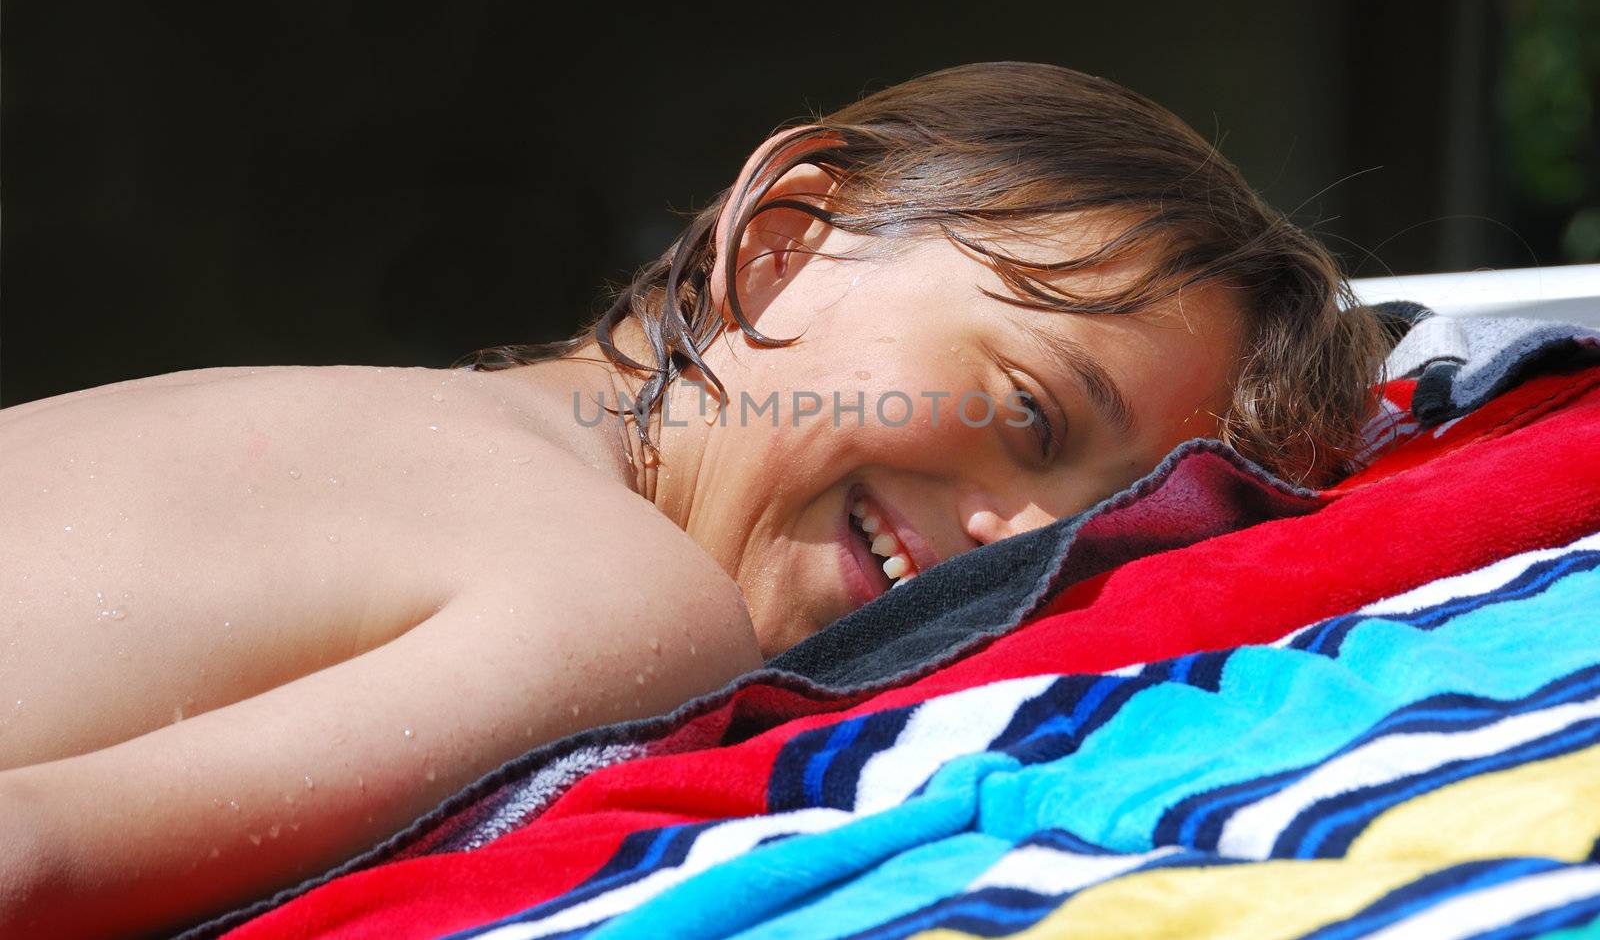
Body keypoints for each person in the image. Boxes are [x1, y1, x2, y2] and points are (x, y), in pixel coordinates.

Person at [0, 61, 1388, 935]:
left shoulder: (366, 414)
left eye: (1102, 523)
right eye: (1031, 413)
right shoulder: (635, 604)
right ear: (784, 244)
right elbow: (36, 864)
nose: (1025, 540)